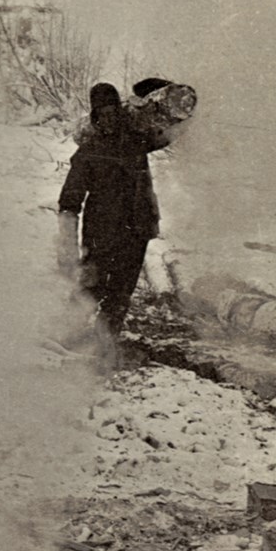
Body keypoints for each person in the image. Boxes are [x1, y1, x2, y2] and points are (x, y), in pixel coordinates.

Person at [57, 80, 176, 357]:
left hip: (137, 231)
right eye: (103, 113)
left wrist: (162, 90)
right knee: (90, 288)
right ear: (95, 116)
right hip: (101, 233)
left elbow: (172, 130)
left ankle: (106, 345)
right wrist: (67, 244)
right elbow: (69, 200)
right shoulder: (88, 151)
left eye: (113, 111)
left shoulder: (137, 141)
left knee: (121, 292)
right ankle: (67, 337)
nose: (109, 118)